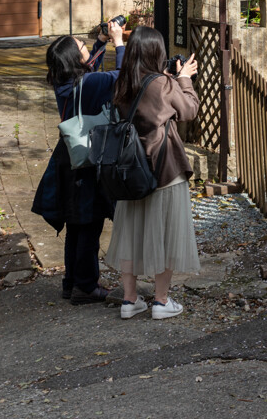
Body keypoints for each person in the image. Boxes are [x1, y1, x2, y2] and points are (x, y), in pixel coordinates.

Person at [104, 26, 200, 321]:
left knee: (132, 235)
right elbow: (189, 111)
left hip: (131, 170)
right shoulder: (163, 84)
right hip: (163, 168)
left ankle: (130, 300)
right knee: (168, 234)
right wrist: (184, 80)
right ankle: (160, 301)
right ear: (156, 52)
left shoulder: (122, 82)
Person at [46, 19, 125, 305]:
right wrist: (118, 43)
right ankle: (87, 286)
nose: (86, 49)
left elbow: (91, 66)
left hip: (69, 159)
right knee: (89, 224)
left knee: (76, 224)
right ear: (75, 59)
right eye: (82, 47)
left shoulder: (64, 81)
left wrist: (100, 44)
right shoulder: (88, 83)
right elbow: (121, 75)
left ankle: (72, 282)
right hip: (87, 161)